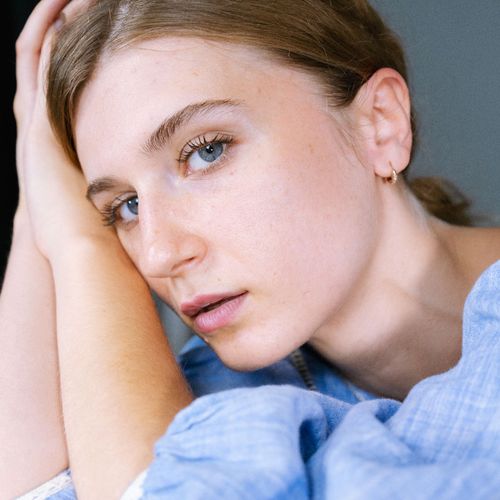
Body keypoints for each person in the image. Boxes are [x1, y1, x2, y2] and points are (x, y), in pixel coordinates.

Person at [3, 0, 499, 498]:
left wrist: (79, 245)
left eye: (206, 151)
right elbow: (37, 486)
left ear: (380, 122)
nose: (158, 256)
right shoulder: (238, 389)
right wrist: (47, 216)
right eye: (125, 207)